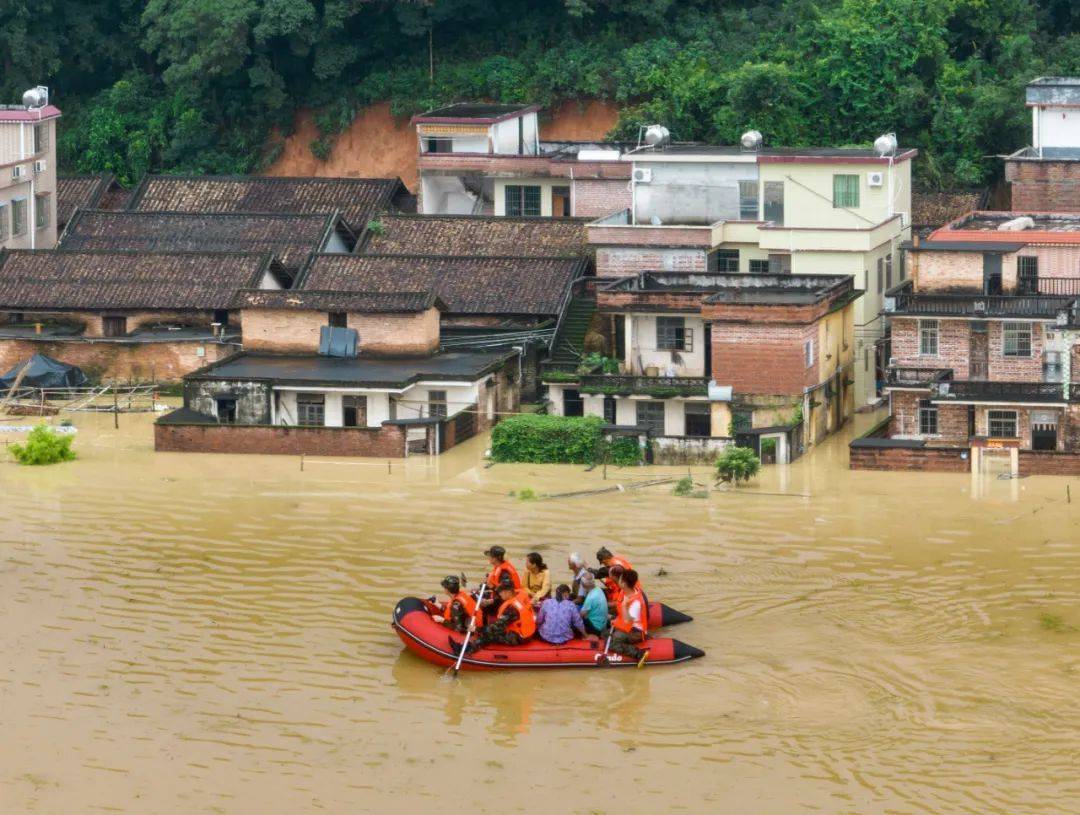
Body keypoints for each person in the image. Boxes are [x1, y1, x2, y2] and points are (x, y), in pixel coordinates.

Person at [462, 578, 536, 654]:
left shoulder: (511, 609)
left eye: (501, 592)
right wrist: (491, 601)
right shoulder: (520, 594)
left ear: (508, 592)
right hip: (528, 630)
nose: (499, 594)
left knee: (489, 634)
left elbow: (494, 629)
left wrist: (476, 629)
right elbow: (501, 600)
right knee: (490, 629)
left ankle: (469, 650)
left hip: (520, 637)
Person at [608, 569, 649, 668]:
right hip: (627, 626)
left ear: (624, 584)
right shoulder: (625, 591)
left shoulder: (635, 603)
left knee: (613, 644)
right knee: (605, 633)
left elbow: (628, 620)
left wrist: (624, 607)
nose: (619, 581)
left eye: (620, 579)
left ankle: (639, 653)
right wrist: (615, 621)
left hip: (635, 632)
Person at [479, 545, 521, 622]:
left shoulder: (505, 574)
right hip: (500, 595)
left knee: (482, 606)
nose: (488, 558)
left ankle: (483, 628)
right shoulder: (499, 567)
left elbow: (506, 594)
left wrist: (490, 600)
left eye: (489, 556)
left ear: (494, 559)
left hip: (508, 601)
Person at [578, 572, 609, 637]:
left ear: (583, 584)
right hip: (603, 625)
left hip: (596, 629)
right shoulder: (598, 589)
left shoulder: (590, 597)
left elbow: (580, 615)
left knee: (574, 619)